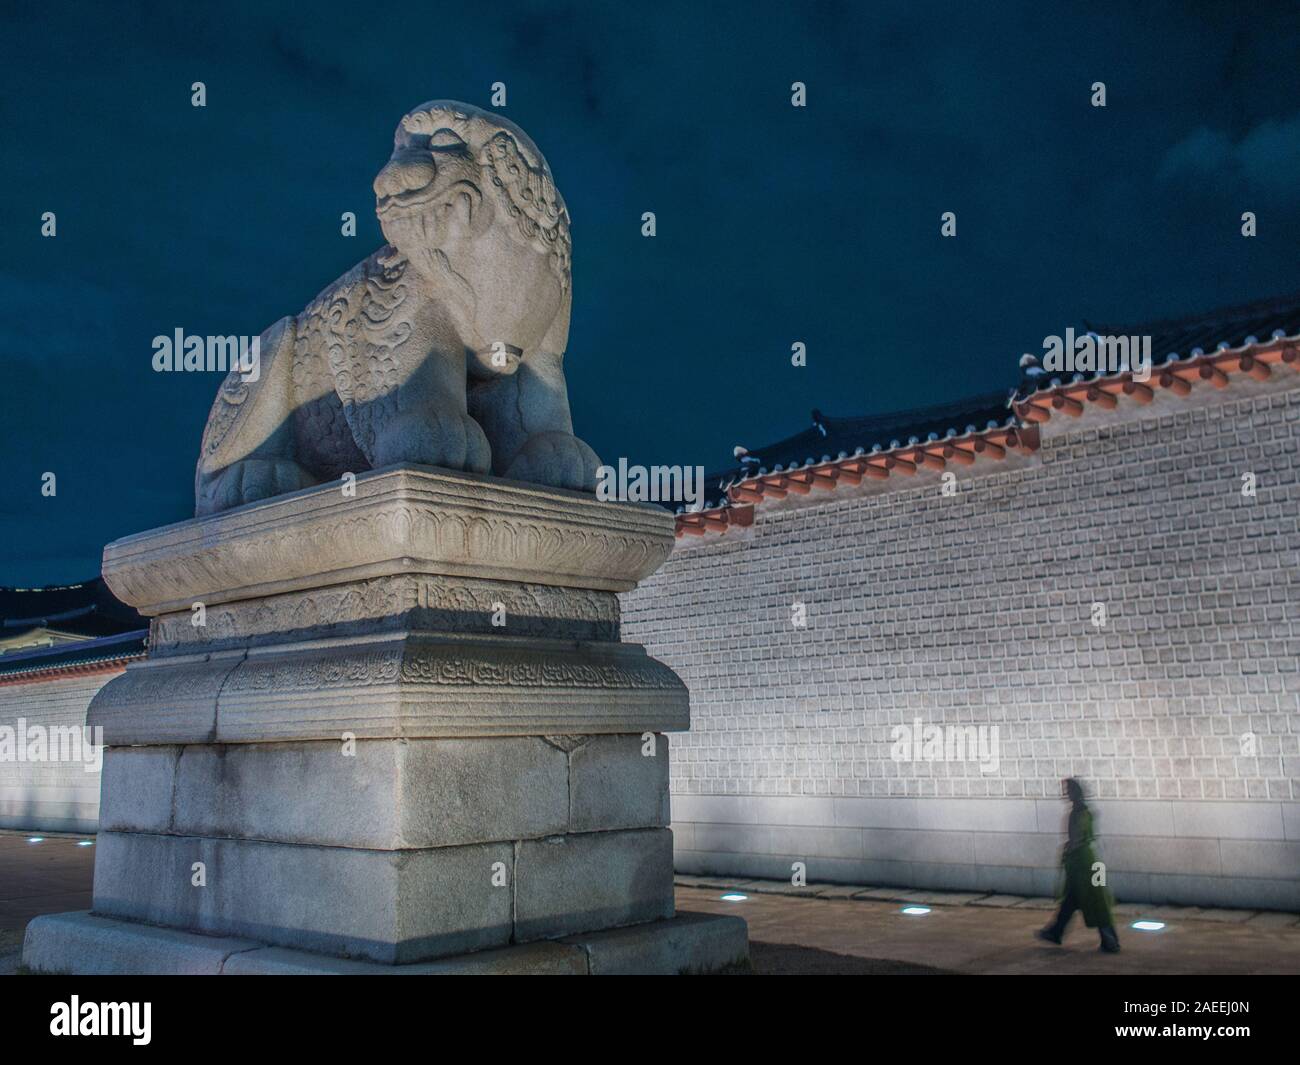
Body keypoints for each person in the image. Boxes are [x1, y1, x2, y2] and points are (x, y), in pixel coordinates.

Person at [1037, 777, 1120, 953]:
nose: (1065, 793)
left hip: (1082, 865)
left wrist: (1067, 850)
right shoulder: (1087, 810)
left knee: (1087, 900)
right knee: (1089, 900)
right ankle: (1057, 932)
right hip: (1093, 861)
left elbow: (1075, 839)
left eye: (1067, 790)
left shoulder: (1076, 813)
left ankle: (1109, 940)